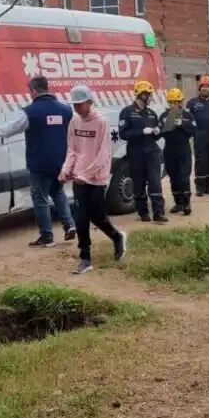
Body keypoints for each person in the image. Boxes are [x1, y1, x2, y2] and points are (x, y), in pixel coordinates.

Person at [0, 75, 77, 247]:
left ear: (34, 91)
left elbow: (11, 128)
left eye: (29, 91)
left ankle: (46, 236)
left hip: (39, 162)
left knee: (40, 197)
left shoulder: (29, 112)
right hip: (60, 161)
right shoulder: (65, 110)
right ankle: (69, 225)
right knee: (58, 192)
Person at [59, 85, 127, 275]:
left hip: (96, 178)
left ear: (90, 102)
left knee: (97, 216)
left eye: (80, 104)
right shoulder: (74, 122)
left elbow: (104, 154)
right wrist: (66, 170)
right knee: (80, 217)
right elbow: (72, 149)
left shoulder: (101, 122)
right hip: (80, 177)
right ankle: (85, 257)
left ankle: (117, 237)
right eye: (74, 105)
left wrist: (86, 175)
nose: (77, 108)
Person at [118, 80, 168, 223]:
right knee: (139, 184)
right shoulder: (127, 112)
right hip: (136, 152)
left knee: (155, 182)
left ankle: (158, 212)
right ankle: (143, 212)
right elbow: (123, 134)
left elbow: (156, 135)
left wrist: (158, 132)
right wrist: (141, 131)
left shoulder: (151, 114)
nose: (150, 97)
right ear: (142, 95)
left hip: (152, 151)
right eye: (148, 94)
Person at [160, 88, 197, 215]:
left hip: (183, 150)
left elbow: (194, 131)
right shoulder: (164, 116)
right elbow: (161, 133)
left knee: (184, 176)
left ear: (181, 102)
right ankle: (178, 203)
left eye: (176, 102)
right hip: (170, 150)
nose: (173, 105)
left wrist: (182, 124)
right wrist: (170, 123)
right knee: (173, 177)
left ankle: (186, 203)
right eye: (171, 102)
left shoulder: (188, 116)